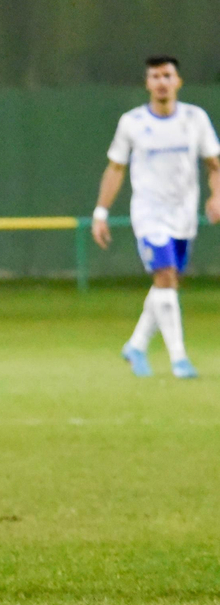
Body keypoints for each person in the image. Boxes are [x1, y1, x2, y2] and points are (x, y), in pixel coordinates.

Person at [92, 55, 220, 379]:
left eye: (167, 75)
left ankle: (136, 345)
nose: (161, 82)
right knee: (164, 276)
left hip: (184, 215)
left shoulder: (195, 119)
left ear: (178, 81)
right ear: (147, 84)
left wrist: (217, 195)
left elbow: (214, 165)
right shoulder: (132, 123)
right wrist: (100, 213)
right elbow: (115, 168)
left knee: (169, 283)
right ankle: (179, 359)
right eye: (155, 76)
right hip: (149, 214)